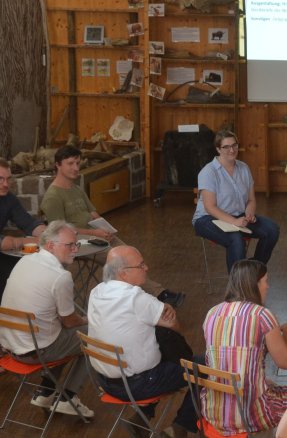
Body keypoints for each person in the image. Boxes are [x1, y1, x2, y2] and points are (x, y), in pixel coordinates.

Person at [40, 146, 184, 307]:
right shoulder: (53, 197)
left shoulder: (75, 188)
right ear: (58, 165)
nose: (76, 168)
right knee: (122, 261)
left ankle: (145, 295)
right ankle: (159, 295)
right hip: (76, 243)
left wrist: (105, 228)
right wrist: (95, 232)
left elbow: (93, 212)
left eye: (78, 163)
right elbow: (59, 232)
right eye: (70, 163)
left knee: (130, 254)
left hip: (95, 235)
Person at [87, 245, 197, 437]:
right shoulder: (136, 297)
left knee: (157, 346)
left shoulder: (97, 291)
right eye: (141, 265)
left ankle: (140, 420)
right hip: (137, 385)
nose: (146, 268)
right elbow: (175, 326)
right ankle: (181, 428)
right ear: (123, 273)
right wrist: (166, 308)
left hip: (106, 381)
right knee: (205, 367)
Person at [0, 220, 94, 417]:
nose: (75, 249)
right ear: (50, 245)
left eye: (76, 244)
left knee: (62, 334)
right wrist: (89, 320)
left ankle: (46, 391)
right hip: (36, 352)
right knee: (96, 334)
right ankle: (69, 397)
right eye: (70, 245)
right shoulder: (61, 277)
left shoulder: (25, 260)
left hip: (10, 348)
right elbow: (70, 321)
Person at [201, 260, 287, 435]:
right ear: (253, 285)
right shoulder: (262, 315)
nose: (268, 286)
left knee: (271, 385)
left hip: (213, 410)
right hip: (249, 413)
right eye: (265, 281)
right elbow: (285, 362)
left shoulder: (212, 313)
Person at [193, 130, 280, 273]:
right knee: (236, 238)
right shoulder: (208, 172)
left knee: (272, 230)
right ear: (218, 149)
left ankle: (253, 271)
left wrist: (249, 214)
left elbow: (251, 200)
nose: (232, 150)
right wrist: (234, 221)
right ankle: (237, 288)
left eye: (234, 145)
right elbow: (210, 207)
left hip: (238, 216)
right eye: (226, 147)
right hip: (207, 219)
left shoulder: (244, 168)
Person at [0, 158, 46, 298]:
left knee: (26, 264)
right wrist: (33, 241)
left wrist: (47, 234)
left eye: (8, 179)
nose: (5, 184)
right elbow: (4, 243)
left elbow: (28, 223)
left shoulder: (8, 198)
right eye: (0, 179)